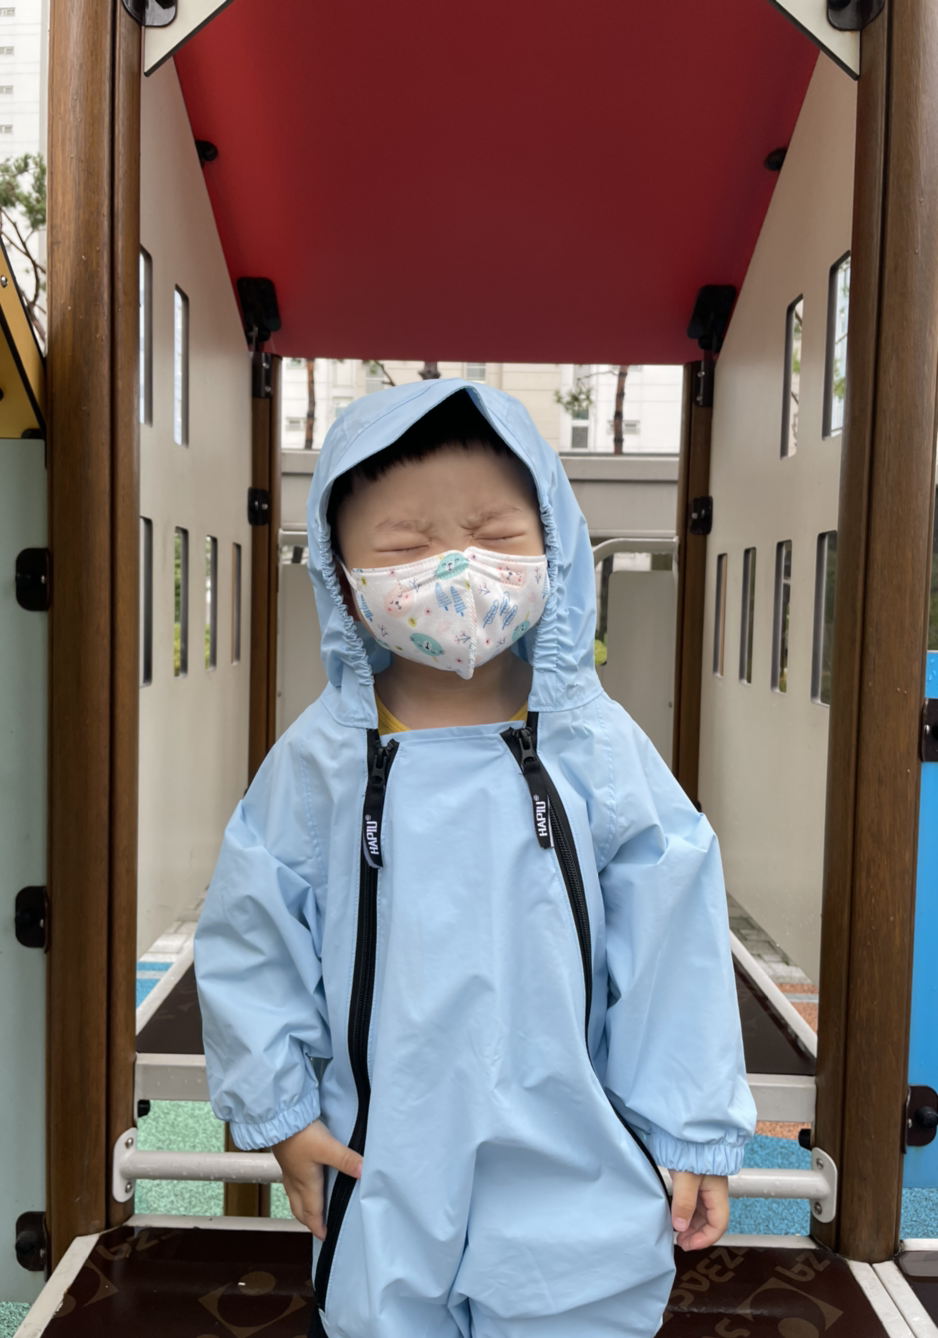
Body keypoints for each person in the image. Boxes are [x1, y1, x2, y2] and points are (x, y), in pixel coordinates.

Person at [194, 381, 755, 1338]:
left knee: (579, 1313)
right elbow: (252, 931)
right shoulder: (323, 760)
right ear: (341, 577)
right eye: (405, 548)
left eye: (495, 535)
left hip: (575, 1150)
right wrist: (280, 1112)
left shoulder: (593, 745)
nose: (456, 571)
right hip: (383, 1153)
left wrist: (690, 1126)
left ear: (554, 547)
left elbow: (675, 938)